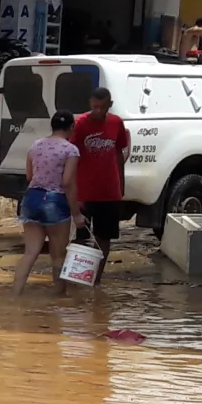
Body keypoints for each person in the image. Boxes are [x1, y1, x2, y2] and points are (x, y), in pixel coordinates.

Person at [14, 111, 80, 294]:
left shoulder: (35, 145)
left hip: (31, 198)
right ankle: (59, 299)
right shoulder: (70, 150)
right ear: (71, 127)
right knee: (58, 256)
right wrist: (76, 213)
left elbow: (29, 176)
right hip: (55, 201)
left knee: (30, 253)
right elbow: (67, 183)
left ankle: (15, 297)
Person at [68, 87, 130, 270]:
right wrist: (73, 193)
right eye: (94, 107)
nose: (98, 111)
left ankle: (96, 278)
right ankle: (76, 275)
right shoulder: (80, 124)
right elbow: (71, 156)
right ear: (90, 103)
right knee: (80, 237)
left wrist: (121, 184)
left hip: (109, 191)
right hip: (85, 192)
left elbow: (119, 154)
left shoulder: (116, 123)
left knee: (104, 238)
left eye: (102, 107)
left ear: (109, 105)